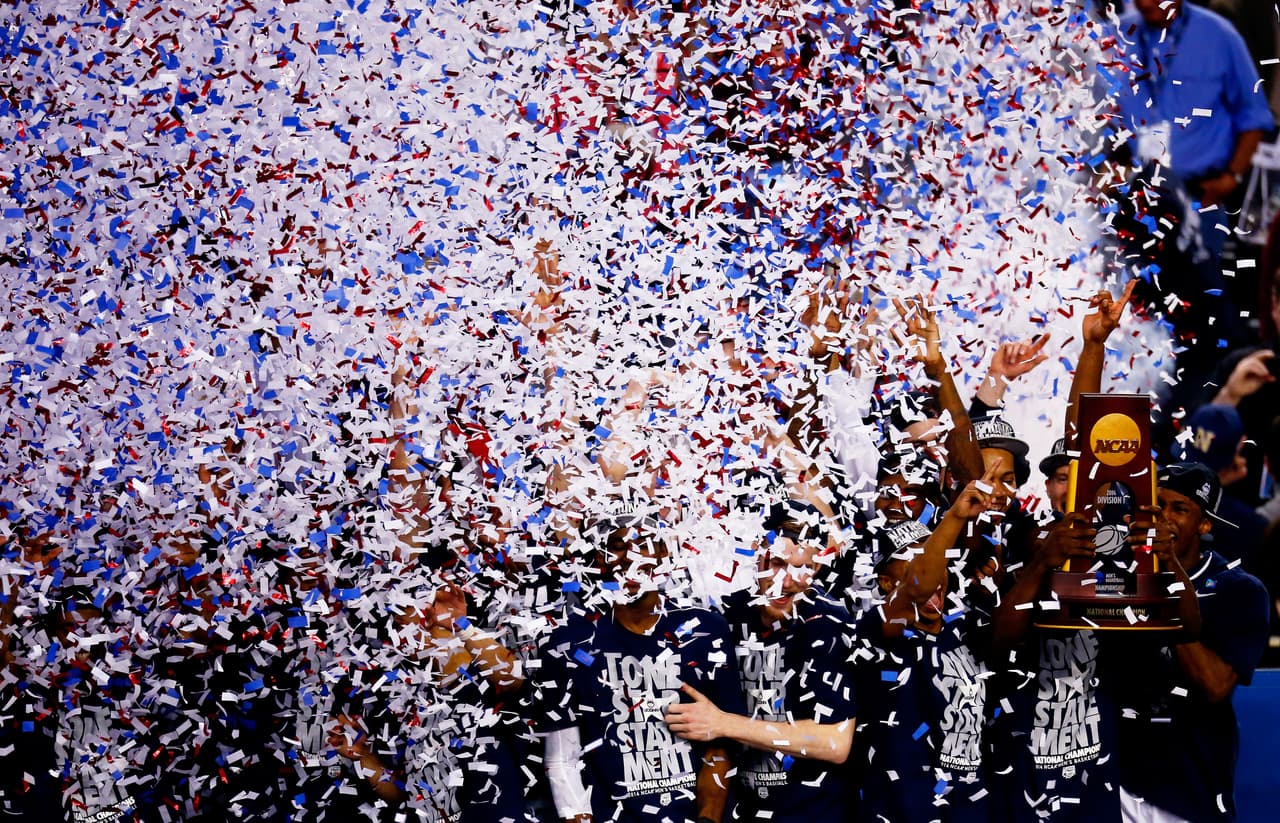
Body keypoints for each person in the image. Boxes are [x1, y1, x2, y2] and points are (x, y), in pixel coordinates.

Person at [528, 516, 744, 823]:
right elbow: (562, 758)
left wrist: (708, 818)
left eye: (642, 543)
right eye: (617, 546)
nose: (630, 556)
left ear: (662, 553)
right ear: (600, 559)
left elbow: (721, 745)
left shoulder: (705, 629)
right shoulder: (567, 644)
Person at [663, 501, 856, 822]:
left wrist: (723, 723)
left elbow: (835, 742)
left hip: (813, 813)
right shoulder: (726, 616)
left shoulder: (829, 622)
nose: (787, 580)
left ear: (818, 568)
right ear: (758, 555)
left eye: (801, 567)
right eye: (778, 563)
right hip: (744, 811)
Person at [1114, 462, 1270, 822]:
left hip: (1188, 790)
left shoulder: (1240, 590)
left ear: (1204, 524)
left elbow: (1214, 685)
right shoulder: (1116, 577)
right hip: (1117, 784)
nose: (1163, 518)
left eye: (1179, 509)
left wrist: (1164, 583)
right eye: (1157, 505)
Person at [852, 474, 999, 822]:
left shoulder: (964, 625)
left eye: (937, 562)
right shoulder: (877, 628)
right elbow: (919, 588)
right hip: (902, 810)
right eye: (915, 563)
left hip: (970, 808)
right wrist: (955, 518)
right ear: (886, 582)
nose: (935, 577)